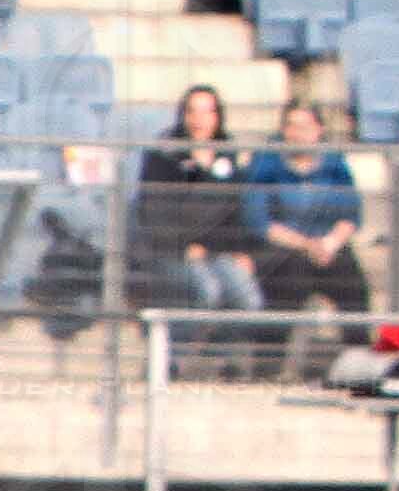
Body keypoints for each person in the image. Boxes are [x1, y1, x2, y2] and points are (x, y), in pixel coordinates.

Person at [138, 86, 264, 345]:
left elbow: (234, 212)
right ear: (182, 115)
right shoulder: (163, 156)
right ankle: (171, 360)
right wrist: (183, 246)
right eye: (192, 111)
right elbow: (154, 213)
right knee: (207, 290)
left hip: (215, 251)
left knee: (248, 298)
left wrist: (240, 250)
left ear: (218, 117)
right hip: (171, 251)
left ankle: (221, 360)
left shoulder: (228, 156)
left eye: (207, 112)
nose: (199, 120)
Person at [243, 99, 367, 356]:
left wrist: (330, 243)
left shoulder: (334, 165)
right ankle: (267, 367)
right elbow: (260, 221)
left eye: (305, 126)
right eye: (291, 126)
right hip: (283, 248)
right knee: (290, 278)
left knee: (353, 284)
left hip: (328, 246)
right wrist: (307, 245)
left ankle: (361, 363)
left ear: (319, 130)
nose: (297, 133)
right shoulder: (266, 163)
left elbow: (351, 214)